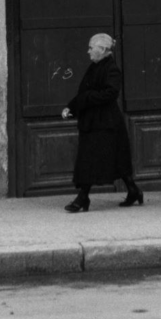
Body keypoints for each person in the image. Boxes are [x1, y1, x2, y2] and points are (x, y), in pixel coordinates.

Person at [61, 33, 143, 213]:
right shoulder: (94, 67)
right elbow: (84, 93)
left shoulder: (111, 69)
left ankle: (83, 198)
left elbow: (110, 94)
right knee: (108, 160)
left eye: (91, 48)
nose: (88, 51)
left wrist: (87, 99)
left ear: (103, 50)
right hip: (94, 122)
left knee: (92, 160)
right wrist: (71, 107)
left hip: (106, 123)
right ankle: (133, 190)